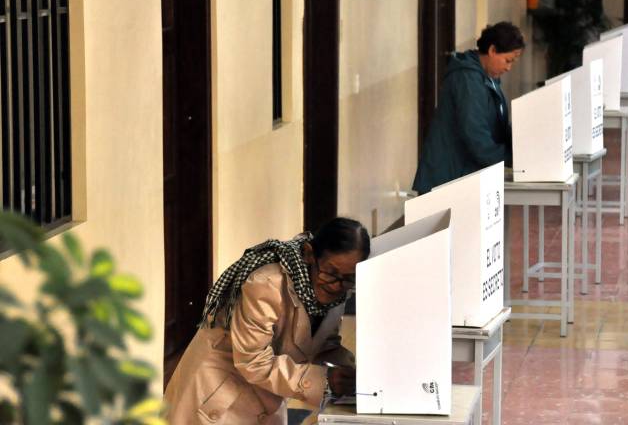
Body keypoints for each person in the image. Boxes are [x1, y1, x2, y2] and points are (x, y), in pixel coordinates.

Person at [164, 217, 370, 424]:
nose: (336, 286)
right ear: (309, 254)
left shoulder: (338, 294)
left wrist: (356, 371)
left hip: (266, 394)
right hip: (217, 394)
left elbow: (323, 343)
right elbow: (253, 360)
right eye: (330, 273)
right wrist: (323, 380)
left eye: (348, 278)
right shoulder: (266, 284)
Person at [412, 21, 525, 195]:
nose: (508, 68)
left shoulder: (488, 77)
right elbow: (477, 137)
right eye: (507, 60)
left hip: (465, 175)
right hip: (447, 178)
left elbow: (498, 125)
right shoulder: (467, 79)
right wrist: (515, 158)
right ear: (492, 50)